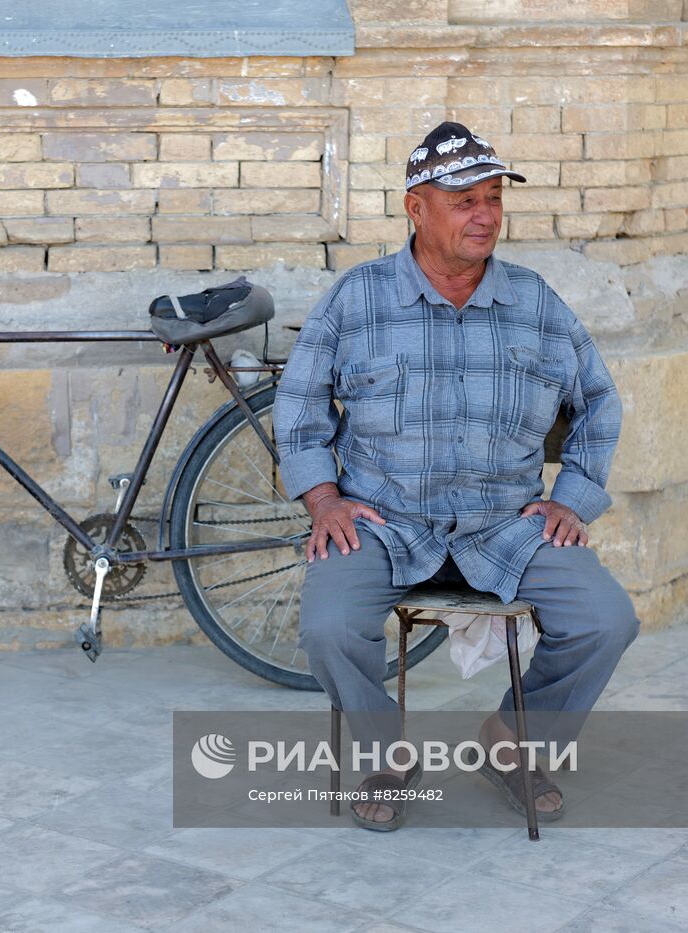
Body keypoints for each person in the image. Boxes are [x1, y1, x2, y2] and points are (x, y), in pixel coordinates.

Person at [273, 121, 640, 830]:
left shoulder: (534, 303)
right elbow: (298, 401)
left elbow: (599, 399)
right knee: (326, 626)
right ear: (417, 208)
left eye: (494, 198)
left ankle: (513, 742)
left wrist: (573, 496)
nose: (485, 215)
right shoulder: (358, 299)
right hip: (384, 522)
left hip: (505, 525)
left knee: (604, 620)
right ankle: (387, 752)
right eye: (465, 199)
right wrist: (323, 497)